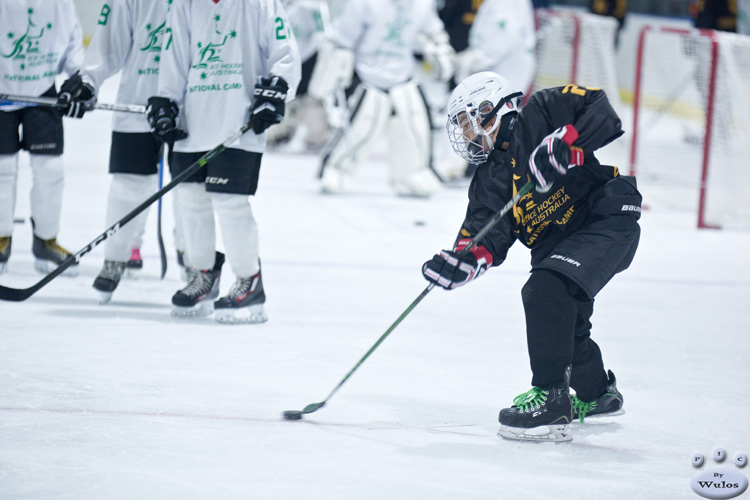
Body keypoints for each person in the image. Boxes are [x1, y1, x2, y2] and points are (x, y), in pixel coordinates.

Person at [421, 72, 641, 442]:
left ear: (491, 109)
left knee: (543, 290)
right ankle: (598, 395)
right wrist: (460, 263)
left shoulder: (540, 113)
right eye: (460, 126)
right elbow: (483, 237)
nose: (468, 134)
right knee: (566, 329)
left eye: (468, 122)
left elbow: (601, 112)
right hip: (557, 247)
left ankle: (552, 398)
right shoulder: (489, 180)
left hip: (604, 220)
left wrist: (564, 142)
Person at [149, 0, 301, 324]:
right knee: (191, 201)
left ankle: (250, 281)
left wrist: (275, 90)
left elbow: (285, 51)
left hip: (238, 120)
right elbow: (173, 56)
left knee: (230, 202)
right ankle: (203, 274)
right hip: (193, 121)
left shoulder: (260, 4)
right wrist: (165, 100)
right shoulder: (186, 5)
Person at [57, 0, 180, 303]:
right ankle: (115, 258)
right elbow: (107, 44)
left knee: (192, 192)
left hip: (195, 106)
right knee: (128, 183)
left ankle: (195, 262)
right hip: (139, 101)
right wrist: (87, 81)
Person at [311, 0, 455, 198]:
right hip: (367, 77)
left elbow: (434, 31)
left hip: (403, 76)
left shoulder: (422, 4)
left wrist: (441, 51)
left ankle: (413, 174)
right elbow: (341, 40)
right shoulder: (365, 4)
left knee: (415, 127)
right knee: (360, 127)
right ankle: (337, 170)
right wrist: (335, 74)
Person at [0, 0, 84, 276]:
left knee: (50, 169)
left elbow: (73, 39)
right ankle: (1, 238)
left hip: (42, 90)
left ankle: (46, 240)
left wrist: (78, 81)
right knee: (3, 168)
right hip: (2, 92)